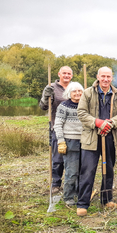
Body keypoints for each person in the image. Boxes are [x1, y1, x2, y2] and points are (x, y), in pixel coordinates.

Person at [76, 67, 117, 217]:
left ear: (112, 78)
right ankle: (83, 203)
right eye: (103, 76)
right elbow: (81, 113)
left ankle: (106, 199)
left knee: (108, 170)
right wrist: (98, 122)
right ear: (98, 77)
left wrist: (110, 123)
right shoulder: (87, 93)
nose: (105, 79)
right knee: (88, 170)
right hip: (91, 138)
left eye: (108, 76)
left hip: (110, 137)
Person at [39, 66, 73, 194]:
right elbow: (43, 106)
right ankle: (56, 184)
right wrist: (45, 97)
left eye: (69, 73)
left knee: (72, 157)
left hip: (73, 128)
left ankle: (71, 183)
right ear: (59, 74)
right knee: (58, 159)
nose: (66, 75)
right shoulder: (51, 88)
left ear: (71, 75)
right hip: (56, 127)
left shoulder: (74, 87)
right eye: (64, 73)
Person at [53, 82, 84, 206]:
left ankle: (79, 193)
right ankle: (68, 197)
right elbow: (58, 124)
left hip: (85, 142)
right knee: (72, 171)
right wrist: (61, 141)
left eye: (80, 91)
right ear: (69, 93)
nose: (77, 93)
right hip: (70, 142)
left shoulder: (85, 106)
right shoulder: (63, 106)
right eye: (74, 91)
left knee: (83, 171)